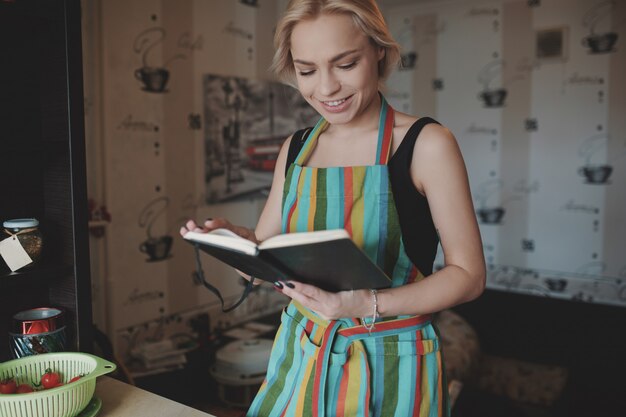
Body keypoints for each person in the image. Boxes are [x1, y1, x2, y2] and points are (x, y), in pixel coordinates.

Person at [181, 0, 485, 415]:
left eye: (345, 64)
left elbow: (468, 276)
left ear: (379, 50)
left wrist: (366, 306)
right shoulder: (296, 149)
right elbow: (266, 259)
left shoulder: (427, 144)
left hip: (391, 365)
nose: (325, 89)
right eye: (307, 70)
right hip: (302, 357)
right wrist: (235, 242)